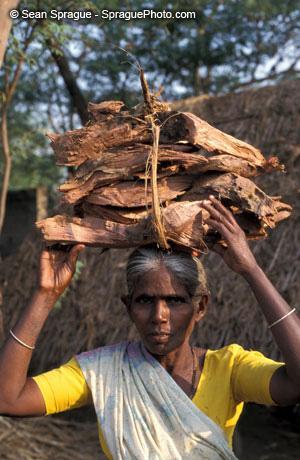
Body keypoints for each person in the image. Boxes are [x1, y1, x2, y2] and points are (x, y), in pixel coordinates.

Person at [0, 196, 299, 459]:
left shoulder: (230, 370)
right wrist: (45, 294)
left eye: (175, 300)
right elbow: (8, 399)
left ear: (201, 307)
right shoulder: (104, 372)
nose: (160, 315)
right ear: (128, 307)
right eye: (145, 300)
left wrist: (252, 270)